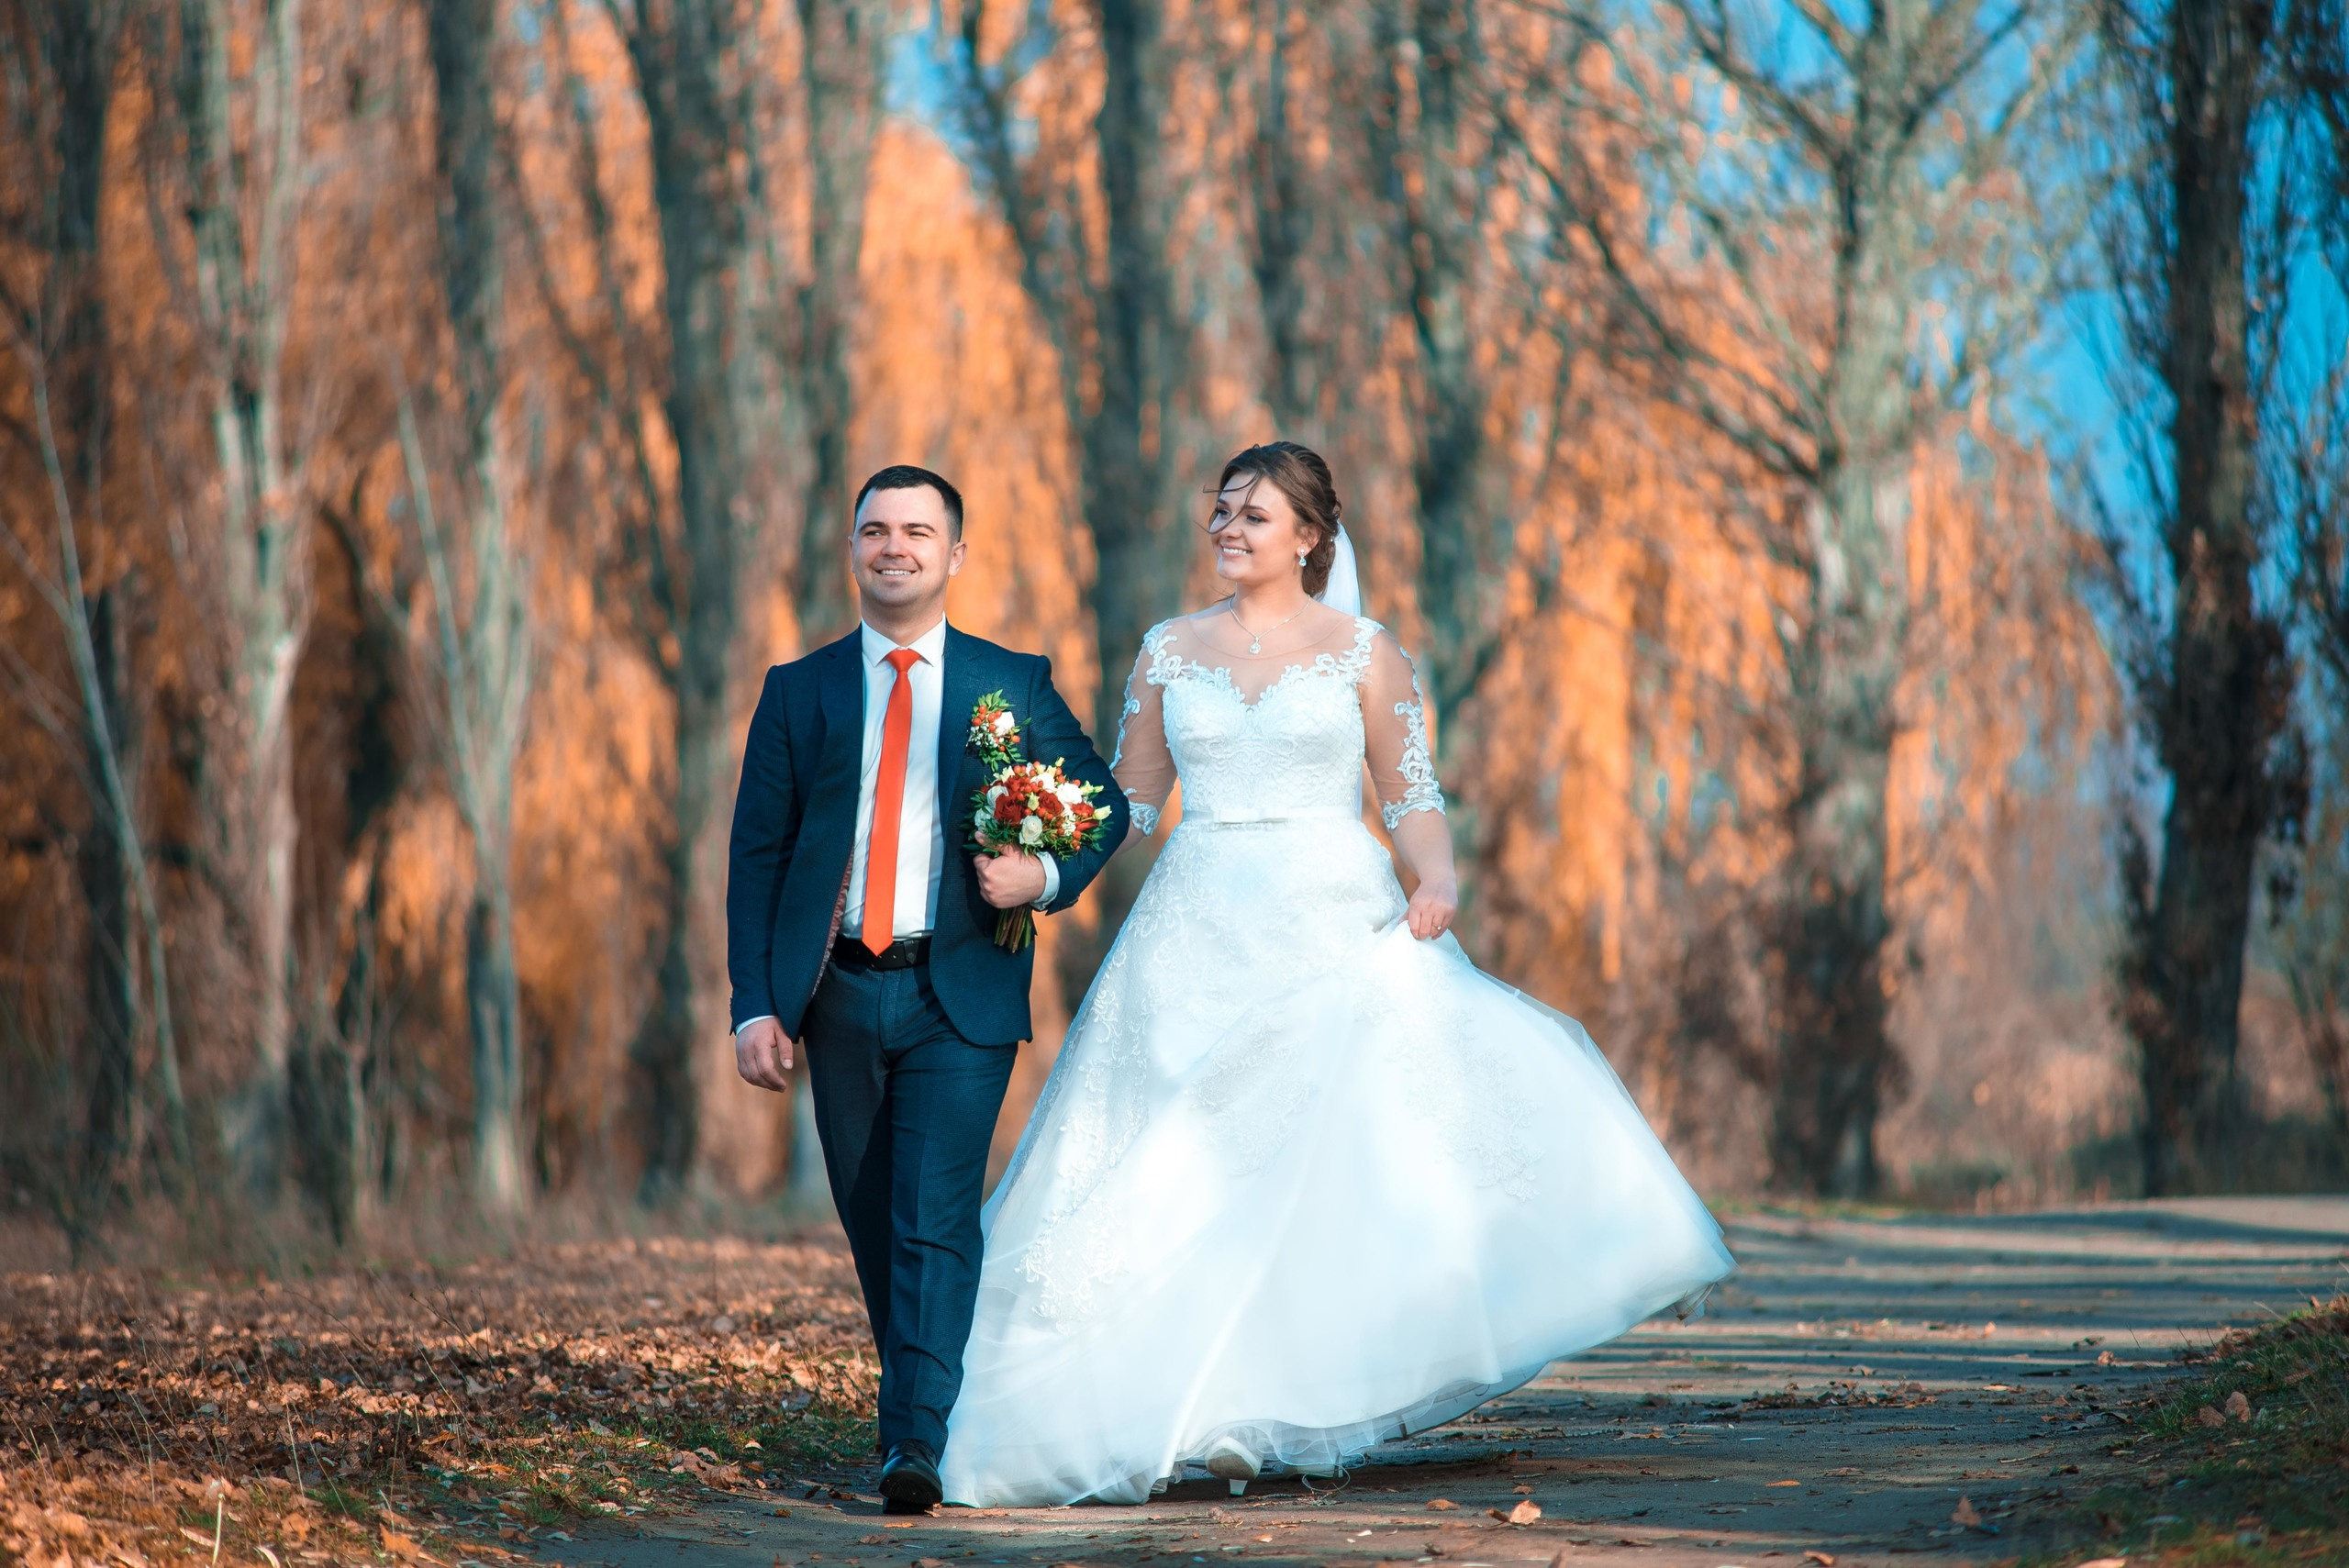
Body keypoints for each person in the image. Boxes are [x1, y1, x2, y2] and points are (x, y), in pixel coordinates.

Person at [938, 441, 1735, 1507]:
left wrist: (1435, 880)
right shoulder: (1168, 649)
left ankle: (1253, 1407)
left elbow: (1408, 793)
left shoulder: (1365, 652)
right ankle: (1186, 1399)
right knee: (1178, 1155)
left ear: (1309, 536)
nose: (1227, 529)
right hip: (1192, 925)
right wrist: (1043, 862)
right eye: (1220, 511)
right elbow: (1131, 799)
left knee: (1303, 1166)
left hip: (1326, 912)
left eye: (1254, 516)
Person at [725, 464, 1128, 1513]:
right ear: (852, 549)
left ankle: (914, 1442)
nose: (893, 545)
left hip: (962, 990)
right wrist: (754, 1002)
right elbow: (756, 856)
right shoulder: (797, 689)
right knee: (872, 1219)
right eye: (874, 530)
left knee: (933, 1217)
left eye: (917, 530)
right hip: (840, 993)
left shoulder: (1011, 681)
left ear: (954, 553)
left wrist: (1040, 875)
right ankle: (934, 1394)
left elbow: (1103, 802)